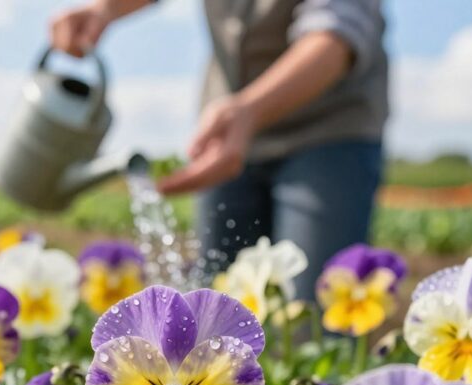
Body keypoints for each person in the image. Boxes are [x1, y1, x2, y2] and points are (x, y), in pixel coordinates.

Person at [50, 0, 387, 299]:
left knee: (311, 301)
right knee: (216, 303)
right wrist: (105, 8)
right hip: (227, 128)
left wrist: (251, 110)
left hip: (328, 130)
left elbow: (337, 32)